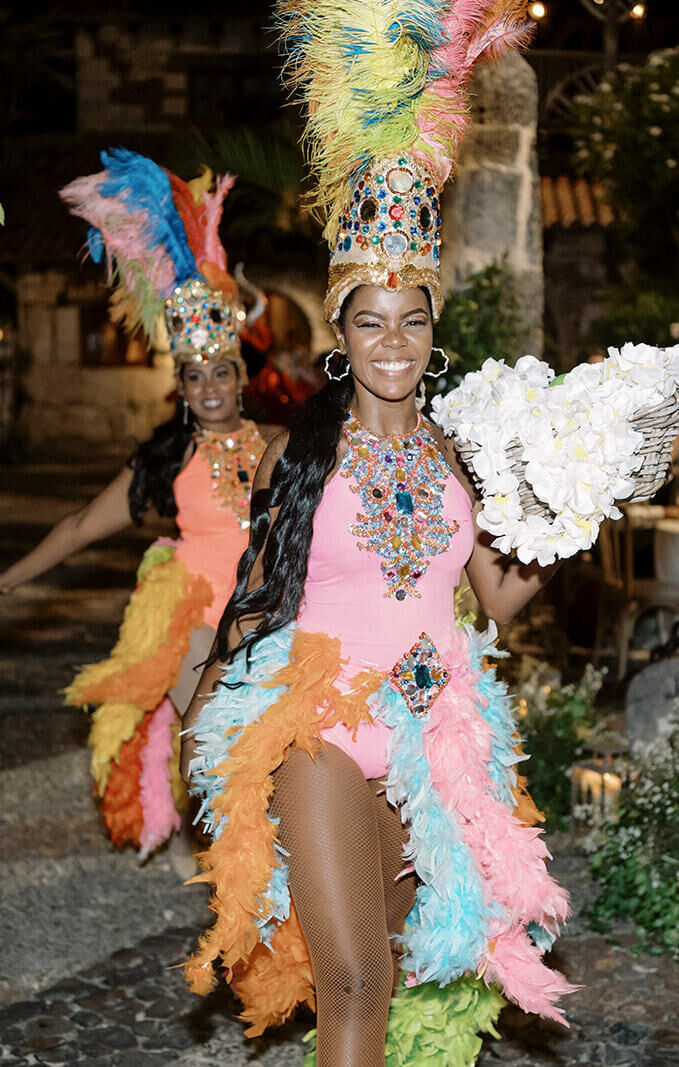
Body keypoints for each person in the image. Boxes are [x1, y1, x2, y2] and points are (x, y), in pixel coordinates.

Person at [179, 4, 575, 1065]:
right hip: (319, 719)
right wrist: (198, 708)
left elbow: (496, 600)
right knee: (351, 974)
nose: (392, 340)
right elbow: (249, 587)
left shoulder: (461, 456)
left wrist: (567, 518)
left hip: (434, 730)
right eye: (368, 319)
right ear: (342, 334)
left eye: (411, 318)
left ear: (432, 329)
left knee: (405, 969)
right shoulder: (293, 452)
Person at [0, 151, 269, 860]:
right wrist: (9, 579)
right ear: (179, 385)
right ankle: (231, 886)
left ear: (239, 376)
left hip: (272, 624)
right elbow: (82, 524)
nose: (208, 386)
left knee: (276, 769)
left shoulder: (278, 444)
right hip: (196, 628)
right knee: (212, 754)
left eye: (219, 371)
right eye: (193, 375)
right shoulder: (168, 459)